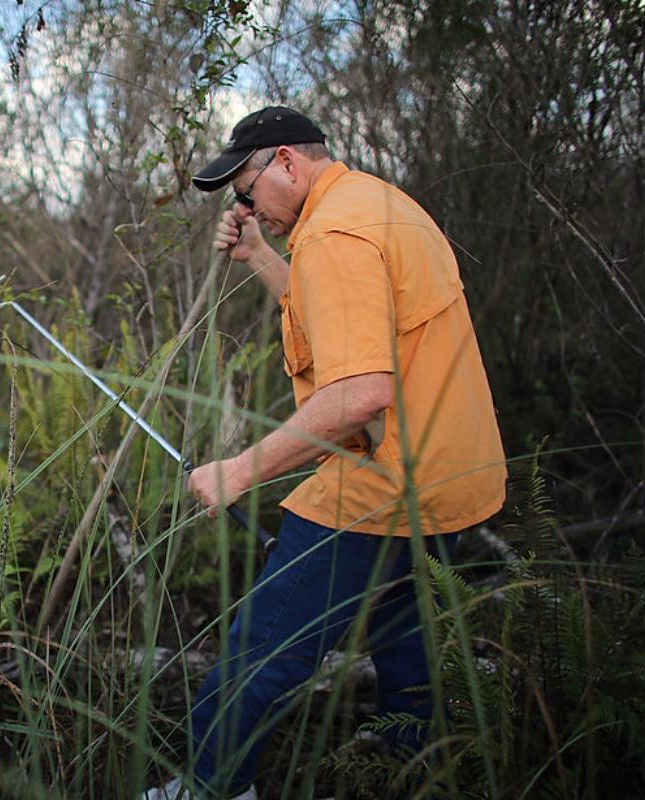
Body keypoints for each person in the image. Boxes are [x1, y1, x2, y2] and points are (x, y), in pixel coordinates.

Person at [142, 106, 507, 799]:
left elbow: (361, 392)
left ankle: (212, 787)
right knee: (409, 651)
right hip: (447, 481)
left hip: (380, 485)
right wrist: (259, 256)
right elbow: (348, 322)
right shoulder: (377, 204)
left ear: (286, 161)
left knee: (258, 651)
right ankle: (413, 773)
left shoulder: (335, 232)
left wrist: (239, 470)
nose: (245, 206)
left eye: (246, 190)